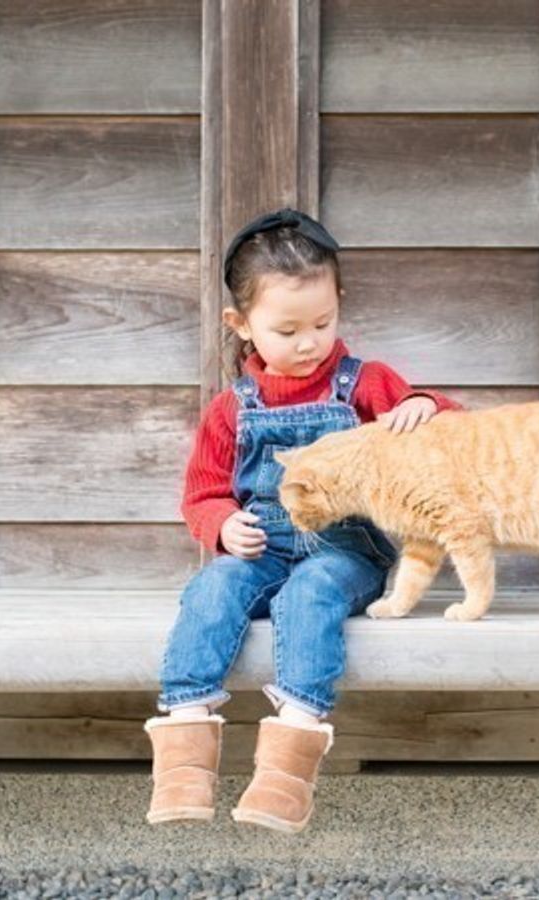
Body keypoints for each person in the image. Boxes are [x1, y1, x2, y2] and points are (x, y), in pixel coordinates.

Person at [143, 208, 461, 832]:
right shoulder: (231, 408)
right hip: (264, 545)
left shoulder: (362, 382)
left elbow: (447, 417)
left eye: (323, 322)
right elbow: (203, 494)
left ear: (339, 303)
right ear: (241, 325)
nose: (310, 341)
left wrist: (423, 406)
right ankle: (184, 748)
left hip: (344, 553)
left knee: (310, 594)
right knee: (213, 585)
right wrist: (223, 526)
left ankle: (289, 758)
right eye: (287, 330)